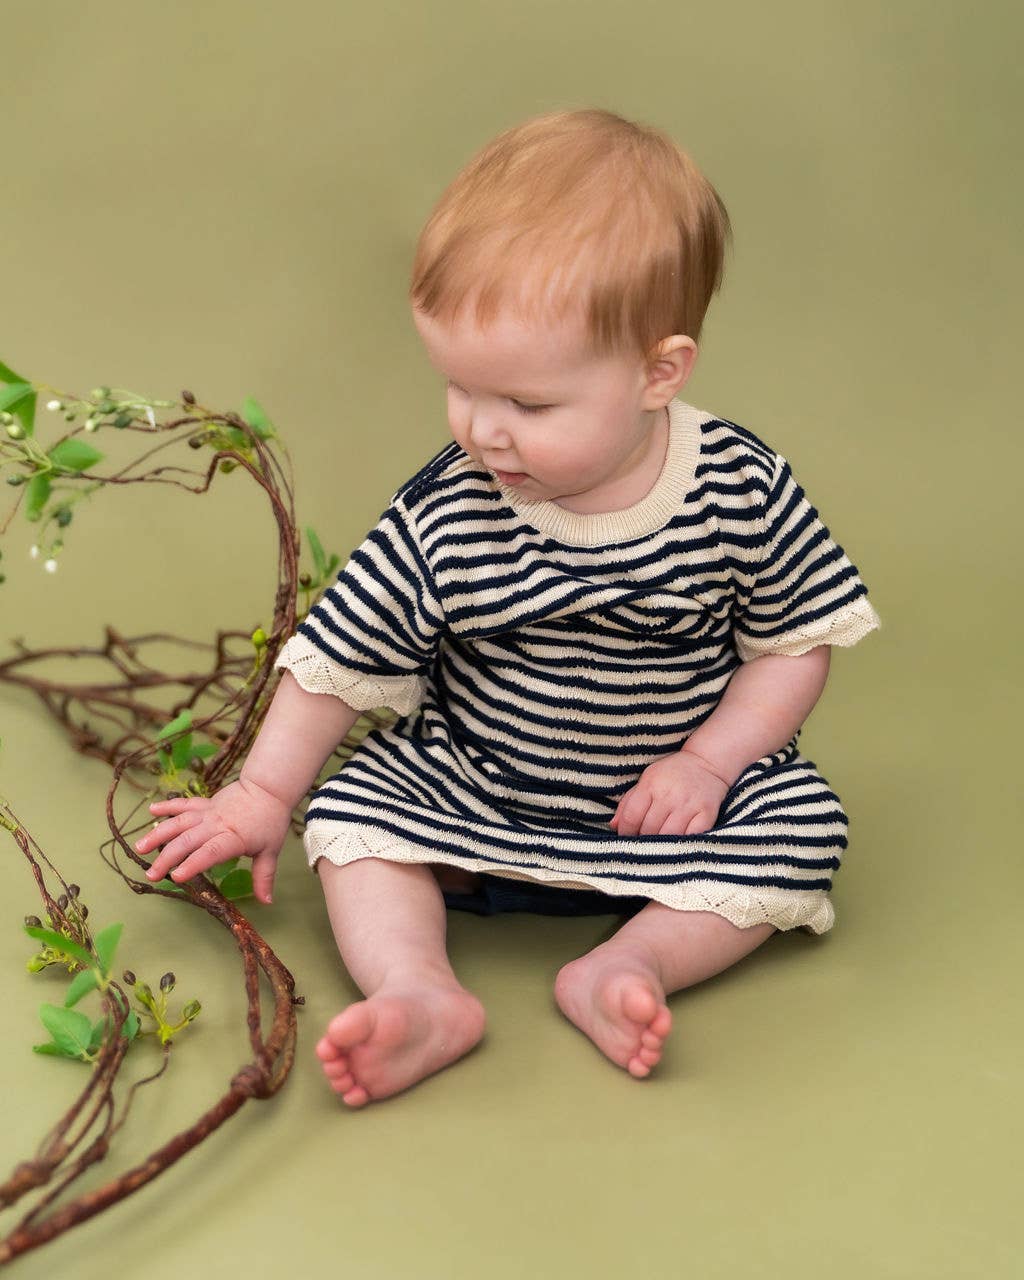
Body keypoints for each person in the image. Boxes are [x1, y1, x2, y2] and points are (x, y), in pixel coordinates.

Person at [134, 108, 882, 1108]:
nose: (485, 431)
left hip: (669, 809)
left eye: (529, 404)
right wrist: (262, 794)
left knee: (801, 825)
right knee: (354, 807)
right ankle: (421, 989)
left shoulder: (739, 486)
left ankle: (632, 963)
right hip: (475, 781)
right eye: (458, 387)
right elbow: (340, 650)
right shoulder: (451, 502)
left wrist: (710, 762)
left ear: (658, 372)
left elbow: (792, 643)